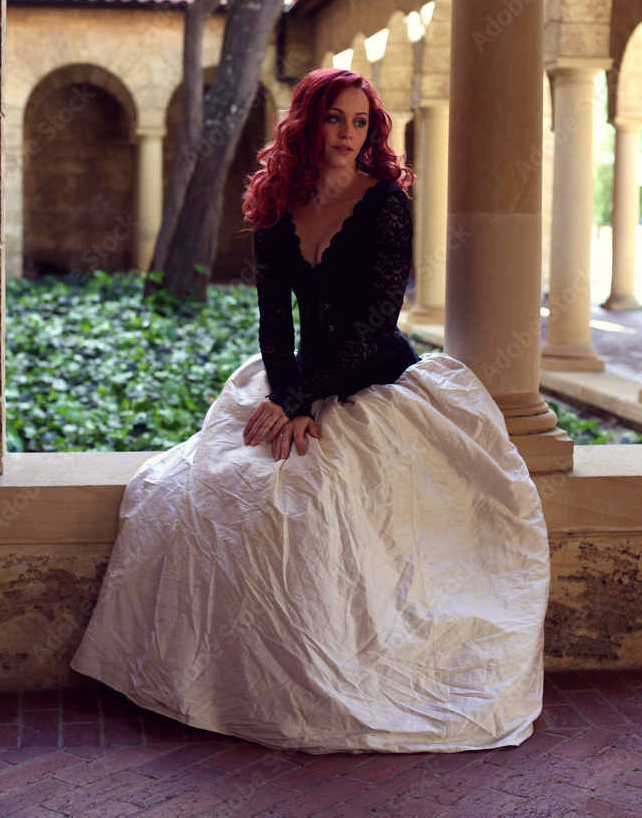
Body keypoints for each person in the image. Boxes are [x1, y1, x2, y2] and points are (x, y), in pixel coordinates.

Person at [71, 68, 549, 755]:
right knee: (197, 490)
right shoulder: (275, 206)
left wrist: (301, 401)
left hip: (376, 382)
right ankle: (236, 681)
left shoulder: (384, 202)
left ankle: (345, 680)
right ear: (307, 122)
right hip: (296, 380)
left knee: (317, 505)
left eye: (360, 121)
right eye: (334, 118)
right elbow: (273, 322)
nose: (348, 134)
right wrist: (286, 394)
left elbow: (377, 320)